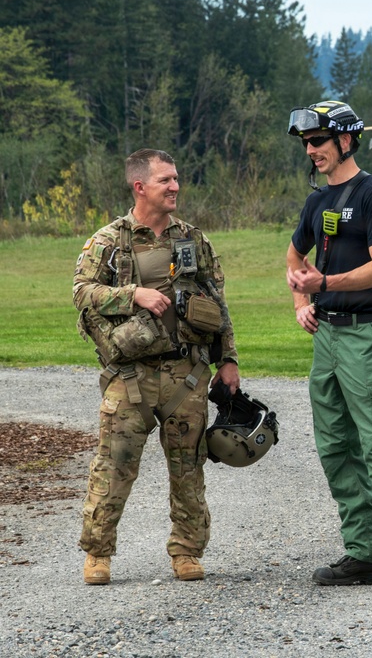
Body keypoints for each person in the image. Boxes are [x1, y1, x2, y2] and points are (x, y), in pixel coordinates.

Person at [73, 148, 240, 585]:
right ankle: (98, 555)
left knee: (189, 468)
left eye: (177, 179)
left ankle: (186, 552)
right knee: (114, 466)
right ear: (140, 186)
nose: (175, 187)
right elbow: (81, 292)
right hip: (130, 377)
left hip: (186, 376)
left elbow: (218, 303)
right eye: (166, 180)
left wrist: (229, 361)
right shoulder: (109, 241)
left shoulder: (193, 239)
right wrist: (134, 294)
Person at [285, 101, 372, 593]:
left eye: (318, 141)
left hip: (367, 335)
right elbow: (293, 258)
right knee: (335, 447)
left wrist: (326, 282)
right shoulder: (317, 202)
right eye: (307, 143)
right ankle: (365, 552)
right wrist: (303, 298)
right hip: (327, 338)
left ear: (346, 140)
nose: (311, 150)